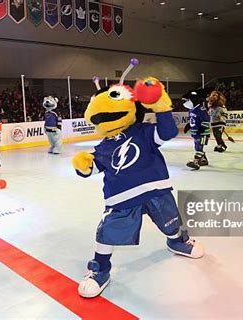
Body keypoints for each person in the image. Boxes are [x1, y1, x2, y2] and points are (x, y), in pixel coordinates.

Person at [72, 62, 204, 298]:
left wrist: (162, 107)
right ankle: (100, 269)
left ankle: (177, 241)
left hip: (156, 189)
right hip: (122, 198)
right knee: (107, 231)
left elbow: (167, 133)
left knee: (171, 220)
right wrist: (84, 166)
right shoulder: (103, 146)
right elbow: (93, 168)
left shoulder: (143, 131)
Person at [182, 89, 211, 170]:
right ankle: (203, 160)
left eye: (187, 100)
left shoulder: (201, 109)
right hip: (196, 133)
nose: (185, 103)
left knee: (199, 147)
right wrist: (188, 126)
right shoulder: (192, 110)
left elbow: (206, 119)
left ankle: (196, 162)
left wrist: (202, 128)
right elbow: (194, 120)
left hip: (203, 133)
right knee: (197, 147)